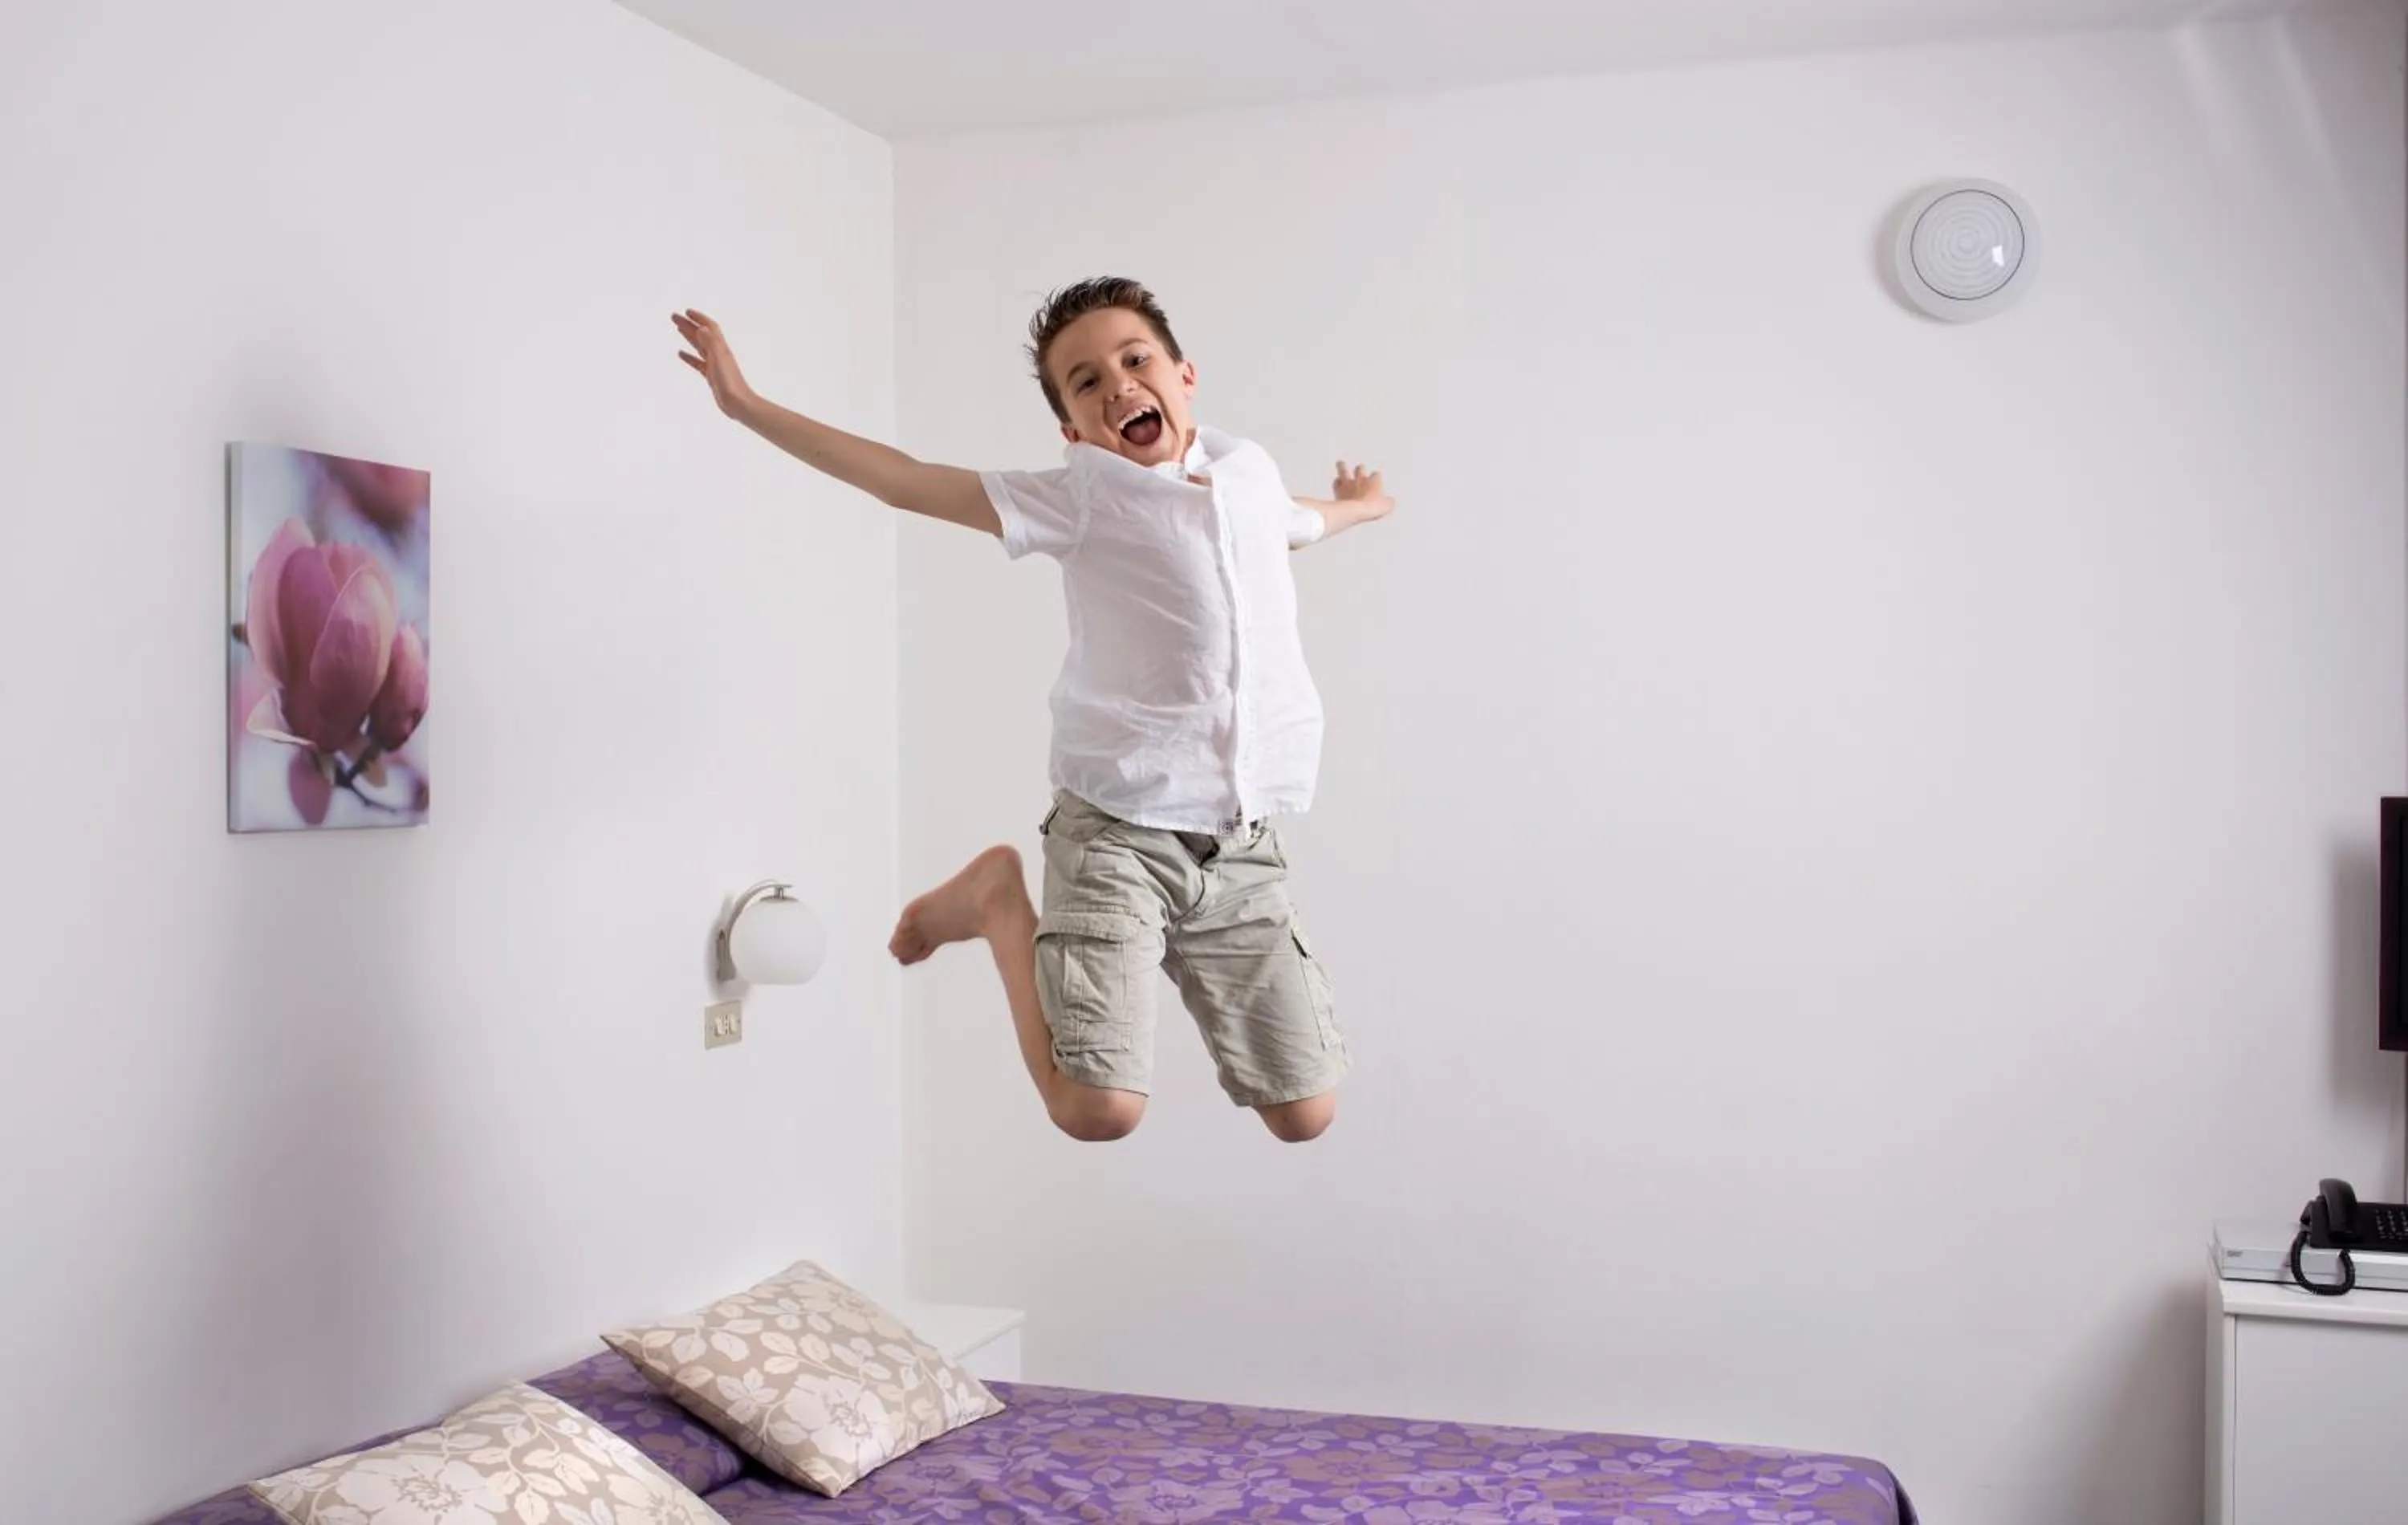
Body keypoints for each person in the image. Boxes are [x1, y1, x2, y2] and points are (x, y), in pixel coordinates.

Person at [671, 278, 1392, 1143]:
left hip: (1241, 842)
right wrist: (747, 405)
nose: (1119, 384)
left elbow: (1293, 523)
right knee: (1097, 1110)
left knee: (1306, 1114)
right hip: (1119, 834)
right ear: (1071, 429)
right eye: (1087, 383)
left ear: (1184, 373)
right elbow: (905, 481)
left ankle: (1048, 918)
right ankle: (997, 901)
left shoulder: (1250, 477)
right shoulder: (1081, 499)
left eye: (1135, 360)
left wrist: (1361, 505)